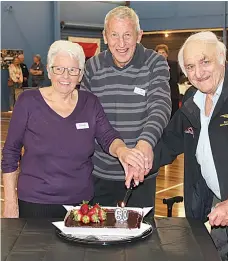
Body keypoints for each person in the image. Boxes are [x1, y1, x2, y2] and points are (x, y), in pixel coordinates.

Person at [150, 31, 228, 260]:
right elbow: (170, 140)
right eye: (190, 67)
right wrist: (140, 161)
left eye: (205, 62)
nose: (198, 73)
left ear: (221, 58)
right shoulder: (194, 97)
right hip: (218, 210)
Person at [1, 40, 146, 219]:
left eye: (72, 70)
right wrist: (10, 203)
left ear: (80, 75)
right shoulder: (28, 102)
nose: (65, 76)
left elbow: (108, 136)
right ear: (49, 70)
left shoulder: (90, 102)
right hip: (35, 203)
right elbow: (10, 153)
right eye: (59, 69)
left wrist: (123, 151)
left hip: (81, 206)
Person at [80, 6, 171, 216]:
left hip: (140, 174)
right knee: (99, 238)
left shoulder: (155, 62)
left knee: (139, 242)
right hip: (100, 173)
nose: (121, 44)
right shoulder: (92, 66)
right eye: (114, 35)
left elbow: (160, 105)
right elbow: (88, 117)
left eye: (127, 35)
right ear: (104, 36)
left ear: (139, 35)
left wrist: (144, 145)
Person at [155, 44, 181, 116]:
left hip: (172, 95)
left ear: (167, 54)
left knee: (174, 115)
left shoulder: (173, 64)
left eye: (163, 52)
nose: (161, 55)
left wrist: (168, 71)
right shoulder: (153, 66)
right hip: (159, 96)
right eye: (159, 53)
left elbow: (176, 79)